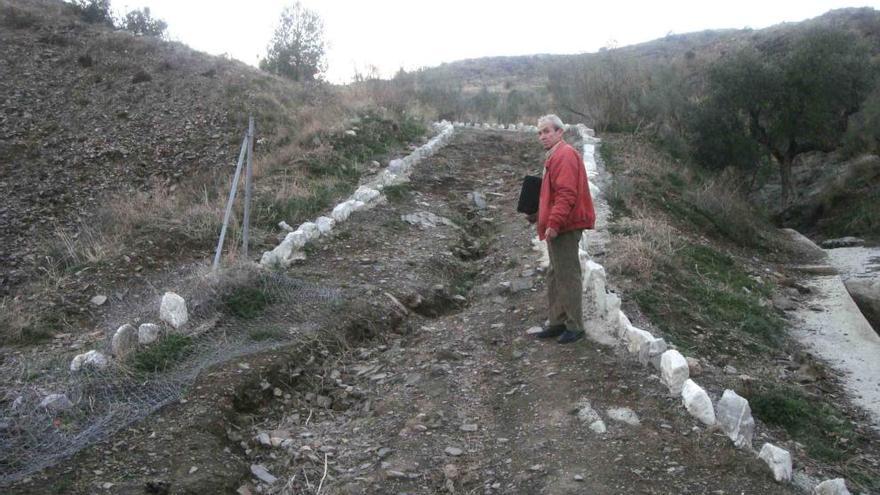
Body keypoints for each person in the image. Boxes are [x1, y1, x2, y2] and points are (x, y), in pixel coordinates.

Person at [526, 114, 596, 344]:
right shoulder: (555, 155)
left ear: (559, 132)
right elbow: (553, 194)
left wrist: (553, 224)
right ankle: (557, 322)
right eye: (540, 132)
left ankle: (575, 326)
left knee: (567, 274)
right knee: (555, 273)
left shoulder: (564, 155)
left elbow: (566, 195)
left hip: (565, 226)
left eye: (547, 131)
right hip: (560, 224)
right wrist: (539, 215)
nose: (543, 136)